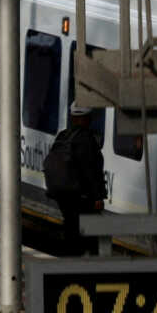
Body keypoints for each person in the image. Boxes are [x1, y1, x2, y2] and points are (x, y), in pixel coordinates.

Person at [43, 106, 106, 256]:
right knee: (90, 230)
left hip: (61, 193)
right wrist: (98, 196)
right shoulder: (87, 139)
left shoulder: (63, 135)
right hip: (79, 195)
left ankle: (70, 258)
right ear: (85, 119)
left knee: (71, 226)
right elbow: (90, 170)